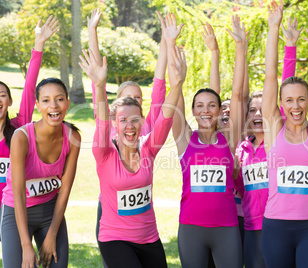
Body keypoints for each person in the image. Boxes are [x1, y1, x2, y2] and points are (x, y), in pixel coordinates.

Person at [79, 13, 185, 266]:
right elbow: (101, 104)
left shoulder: (147, 140)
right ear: (115, 116)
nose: (130, 123)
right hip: (113, 227)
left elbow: (163, 96)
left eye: (138, 104)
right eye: (123, 117)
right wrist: (99, 81)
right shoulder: (105, 145)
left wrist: (177, 74)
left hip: (148, 236)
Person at [165, 12, 246, 267]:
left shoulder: (229, 139)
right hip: (191, 229)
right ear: (191, 111)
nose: (205, 110)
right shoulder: (184, 138)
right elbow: (175, 90)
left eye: (212, 106)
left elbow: (234, 94)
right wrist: (169, 46)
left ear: (220, 110)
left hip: (226, 228)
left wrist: (231, 49)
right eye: (199, 106)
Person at [260, 1, 308, 267]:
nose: (296, 106)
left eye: (301, 100)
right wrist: (273, 27)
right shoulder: (274, 129)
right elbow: (269, 77)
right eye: (289, 101)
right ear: (281, 104)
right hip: (275, 227)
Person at [235, 16, 302, 268]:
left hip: (282, 224)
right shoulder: (242, 149)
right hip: (252, 227)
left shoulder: (279, 138)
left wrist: (290, 47)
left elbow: (284, 82)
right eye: (253, 110)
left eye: (263, 109)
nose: (258, 115)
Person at [1, 75, 81, 267]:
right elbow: (19, 193)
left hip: (50, 211)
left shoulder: (73, 137)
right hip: (16, 212)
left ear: (67, 103)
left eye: (59, 99)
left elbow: (65, 189)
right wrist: (26, 245)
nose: (53, 105)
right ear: (38, 105)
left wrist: (52, 234)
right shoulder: (21, 138)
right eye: (46, 100)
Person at [0, 16, 59, 237]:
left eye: (2, 95)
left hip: (19, 208)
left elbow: (29, 87)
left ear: (9, 101)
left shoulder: (18, 128)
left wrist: (39, 43)